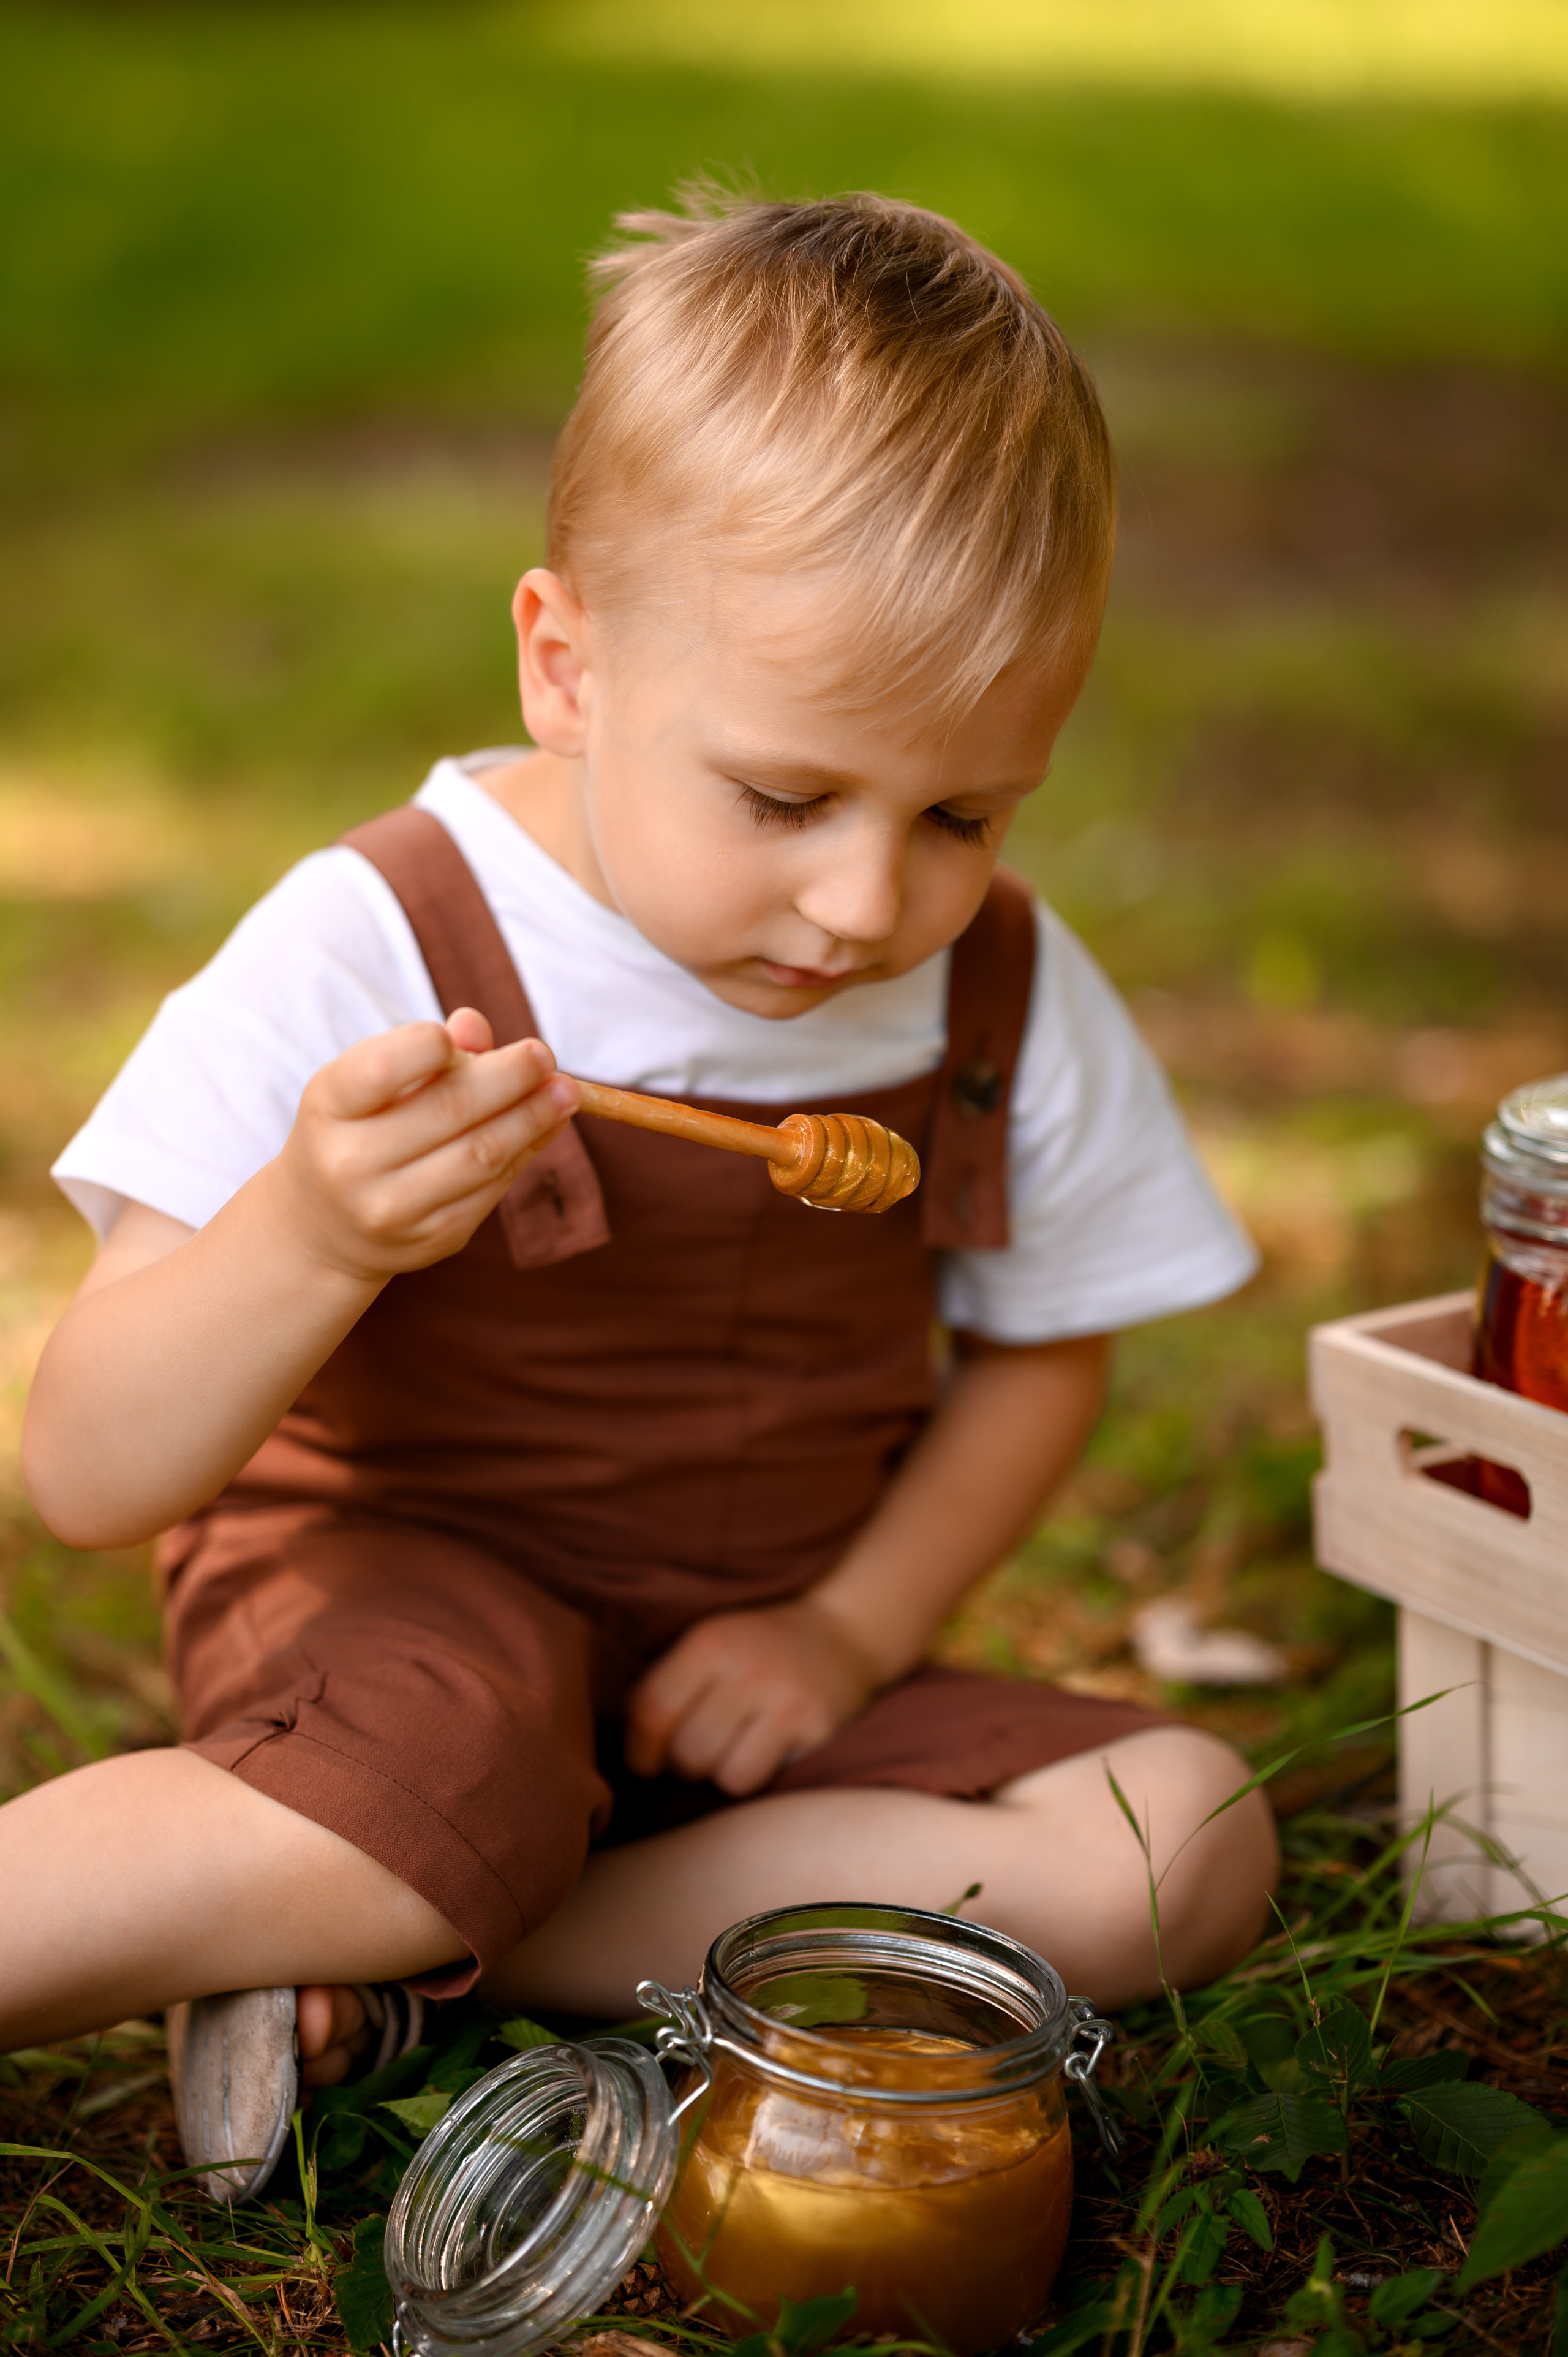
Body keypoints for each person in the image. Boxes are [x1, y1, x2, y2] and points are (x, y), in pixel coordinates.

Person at [10, 191, 1278, 2196]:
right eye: (785, 798)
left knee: (1179, 1838)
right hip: (406, 1631)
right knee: (423, 1779)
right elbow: (90, 1471)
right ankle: (365, 1870)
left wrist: (846, 1635)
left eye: (963, 813)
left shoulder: (997, 989)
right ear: (566, 666)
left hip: (743, 1680)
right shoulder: (374, 941)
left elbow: (1044, 1357)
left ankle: (415, 1934)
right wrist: (310, 1236)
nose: (865, 903)